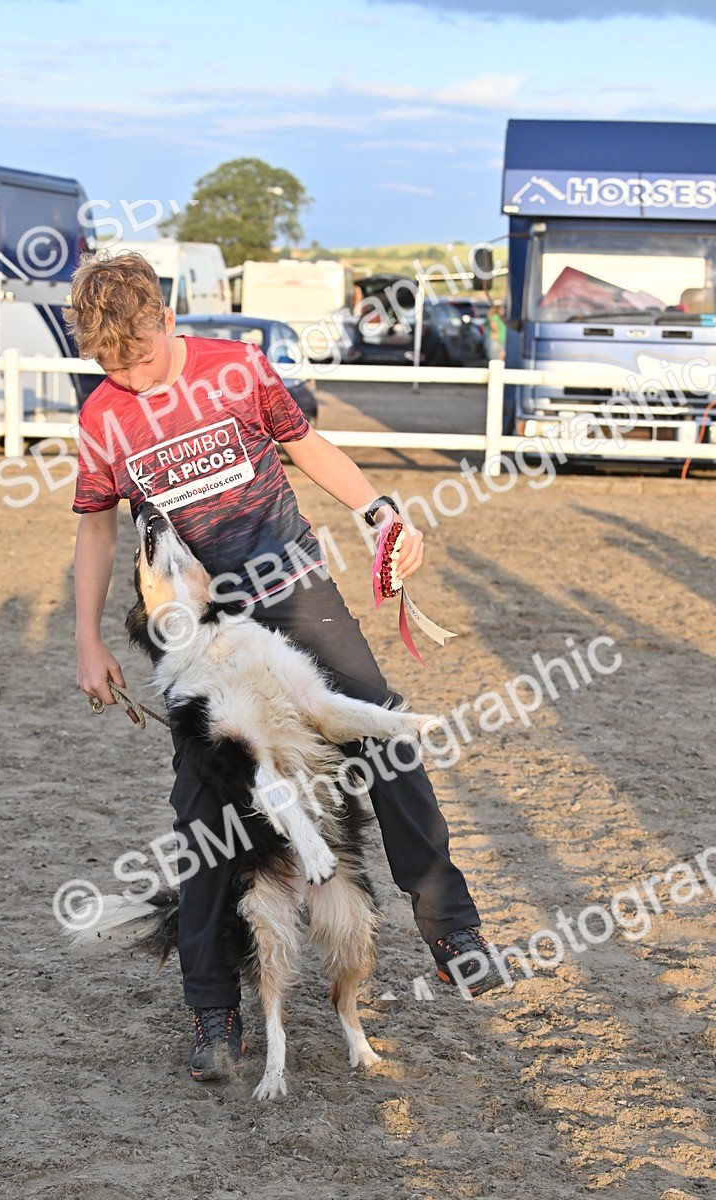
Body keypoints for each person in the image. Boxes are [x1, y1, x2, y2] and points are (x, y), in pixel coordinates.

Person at [65, 251, 513, 1082]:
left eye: (139, 357)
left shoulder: (237, 368)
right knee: (203, 806)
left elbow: (304, 444)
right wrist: (89, 638)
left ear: (167, 319)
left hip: (289, 583)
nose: (128, 376)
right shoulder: (102, 419)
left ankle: (451, 927)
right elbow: (95, 526)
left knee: (378, 721)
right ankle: (213, 1011)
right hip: (196, 619)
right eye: (109, 365)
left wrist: (378, 511)